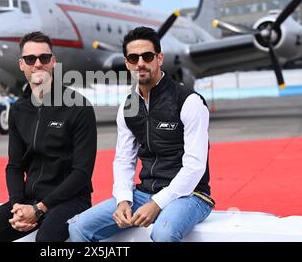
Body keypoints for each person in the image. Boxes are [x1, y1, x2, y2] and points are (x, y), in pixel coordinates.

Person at [68, 26, 215, 242]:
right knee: (79, 227)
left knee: (163, 233)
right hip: (144, 192)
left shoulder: (189, 101)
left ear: (159, 58)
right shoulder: (127, 107)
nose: (140, 63)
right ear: (127, 63)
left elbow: (194, 166)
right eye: (133, 58)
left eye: (147, 56)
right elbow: (124, 160)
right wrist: (123, 200)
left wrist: (157, 204)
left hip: (191, 195)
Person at [0, 31, 97, 242]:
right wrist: (18, 205)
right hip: (29, 199)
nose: (38, 64)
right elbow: (15, 166)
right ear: (21, 64)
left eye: (44, 58)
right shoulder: (19, 109)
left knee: (45, 241)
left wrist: (40, 208)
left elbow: (81, 173)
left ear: (53, 61)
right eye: (30, 59)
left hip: (70, 200)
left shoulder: (79, 107)